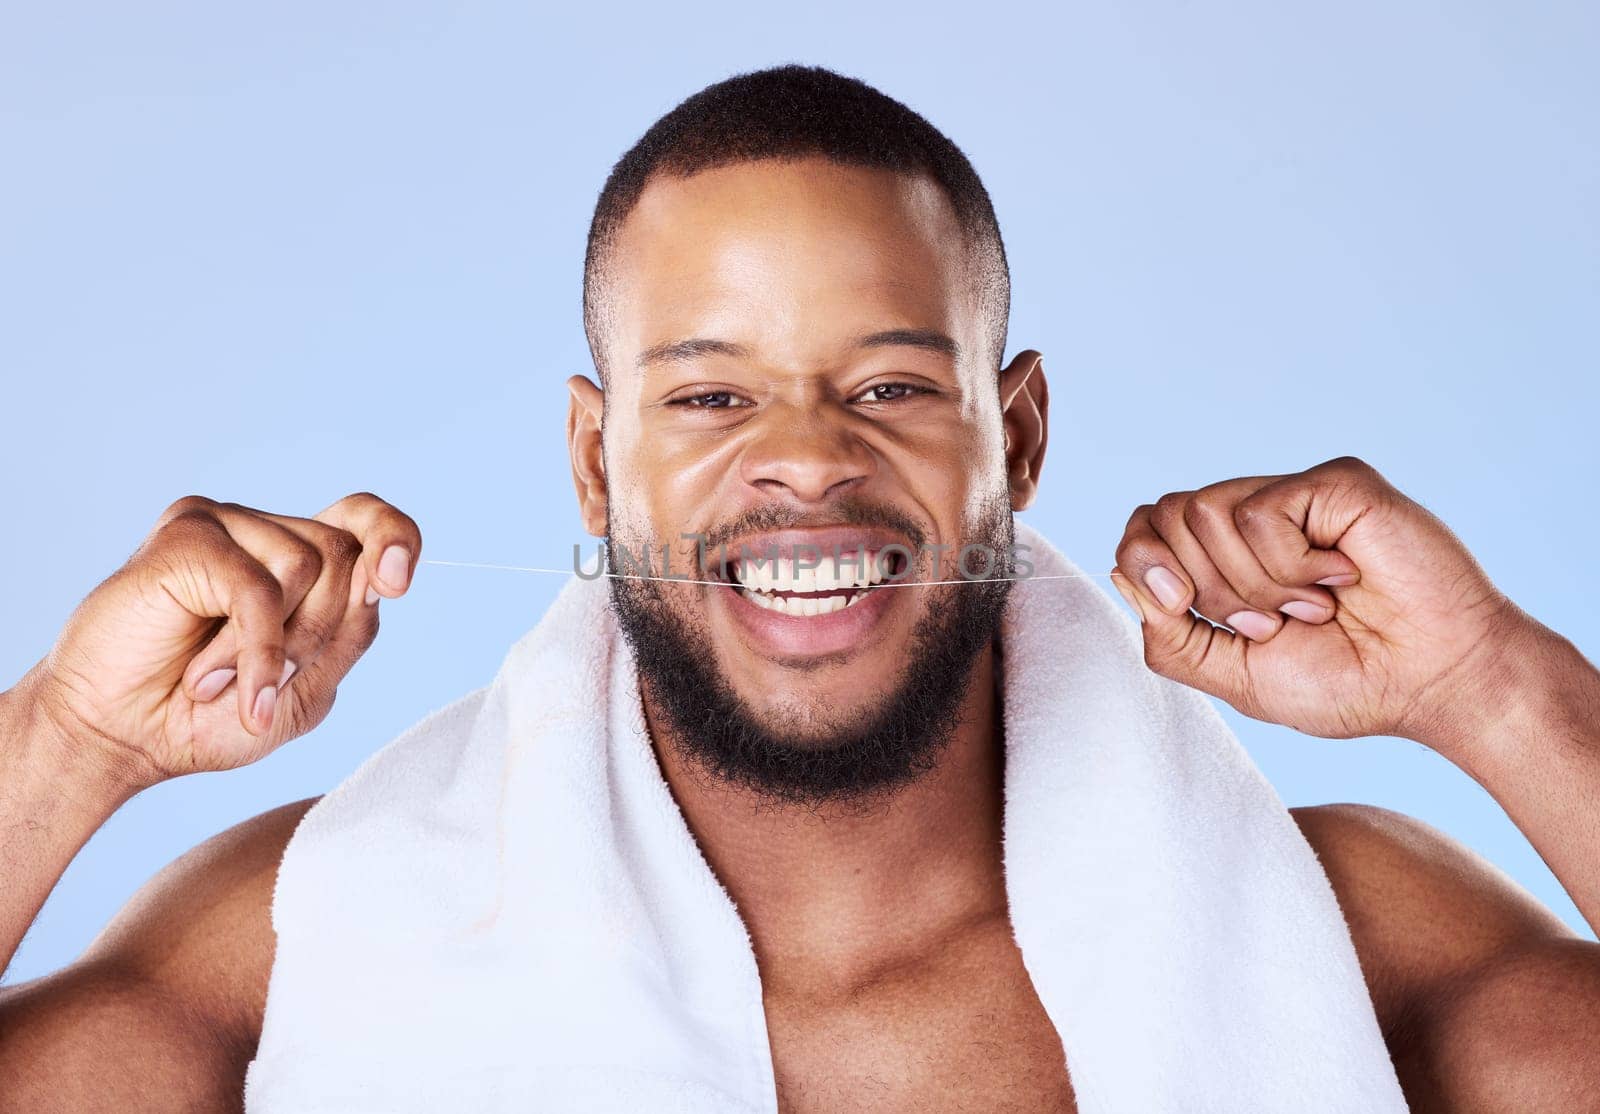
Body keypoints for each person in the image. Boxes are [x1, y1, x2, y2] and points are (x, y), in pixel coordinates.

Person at [2, 63, 1597, 1113]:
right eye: (707, 398)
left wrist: (1494, 689)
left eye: (894, 387)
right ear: (590, 458)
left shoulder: (1342, 935)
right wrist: (75, 739)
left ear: (1017, 435)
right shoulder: (305, 944)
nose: (808, 462)